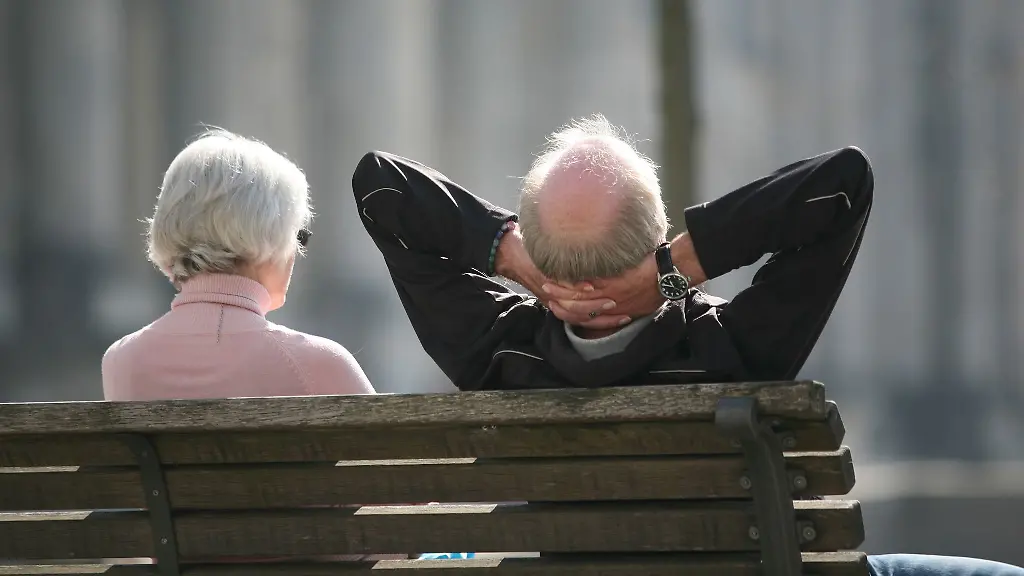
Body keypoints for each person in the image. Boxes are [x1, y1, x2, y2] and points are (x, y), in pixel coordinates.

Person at [351, 115, 1023, 575]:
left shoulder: (496, 354)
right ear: (660, 231)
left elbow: (382, 186)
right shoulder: (732, 349)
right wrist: (675, 272)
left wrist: (512, 257)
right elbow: (843, 184)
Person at [103, 129, 375, 401]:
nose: (298, 252)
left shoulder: (121, 360)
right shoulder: (319, 363)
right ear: (271, 233)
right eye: (298, 236)